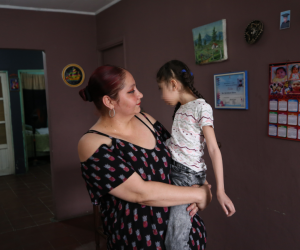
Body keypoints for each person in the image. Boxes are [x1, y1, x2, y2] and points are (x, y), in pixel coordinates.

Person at [78, 65, 212, 250]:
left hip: (186, 235)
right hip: (140, 240)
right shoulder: (93, 142)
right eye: (131, 91)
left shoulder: (147, 120)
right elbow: (140, 193)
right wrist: (200, 194)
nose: (140, 94)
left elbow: (182, 156)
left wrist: (202, 186)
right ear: (109, 101)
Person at [156, 60, 235, 250]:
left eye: (161, 89)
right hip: (177, 172)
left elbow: (214, 149)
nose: (161, 96)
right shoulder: (180, 110)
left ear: (173, 84)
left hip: (185, 176)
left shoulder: (201, 107)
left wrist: (220, 191)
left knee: (174, 244)